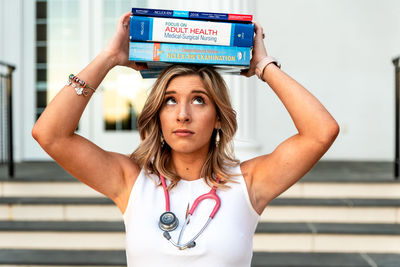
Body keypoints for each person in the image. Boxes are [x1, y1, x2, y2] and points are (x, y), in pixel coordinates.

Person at [32, 11, 339, 267]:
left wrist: (263, 66)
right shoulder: (131, 181)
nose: (182, 114)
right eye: (170, 100)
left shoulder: (249, 182)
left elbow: (320, 131)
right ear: (158, 115)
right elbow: (50, 133)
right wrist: (109, 57)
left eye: (199, 100)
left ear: (219, 117)